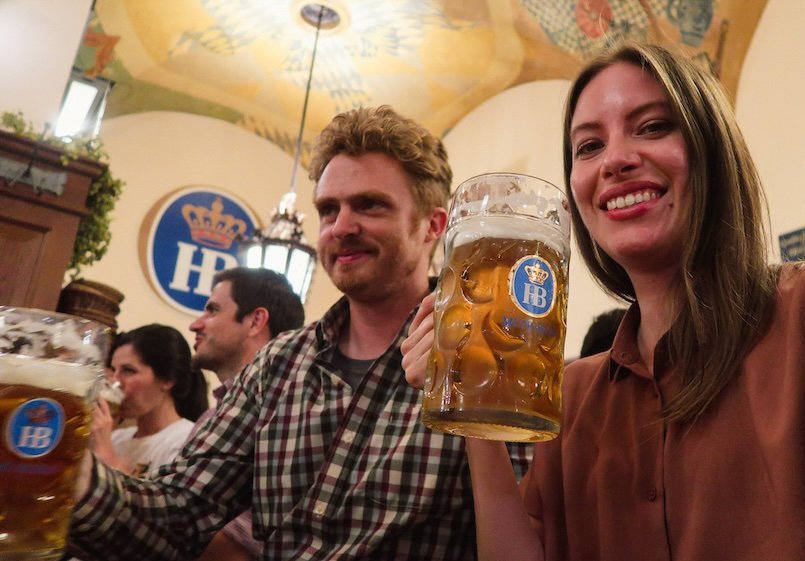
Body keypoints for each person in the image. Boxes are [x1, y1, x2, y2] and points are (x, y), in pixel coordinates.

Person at [401, 42, 805, 560]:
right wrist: (473, 393)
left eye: (653, 126)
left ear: (712, 149)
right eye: (588, 146)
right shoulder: (574, 401)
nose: (614, 159)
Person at [68, 105, 530, 560]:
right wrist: (73, 475)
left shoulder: (489, 358)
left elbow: (527, 532)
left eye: (369, 205)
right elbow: (181, 514)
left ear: (433, 225)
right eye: (328, 210)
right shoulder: (279, 363)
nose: (340, 228)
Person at [187, 267, 305, 561]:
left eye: (212, 310)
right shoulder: (210, 417)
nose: (195, 324)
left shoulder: (288, 419)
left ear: (255, 321)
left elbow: (239, 550)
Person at [90, 324, 209, 478]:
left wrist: (105, 449)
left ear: (167, 379)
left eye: (128, 371)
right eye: (113, 370)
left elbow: (155, 500)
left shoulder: (187, 441)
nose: (115, 382)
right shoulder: (118, 437)